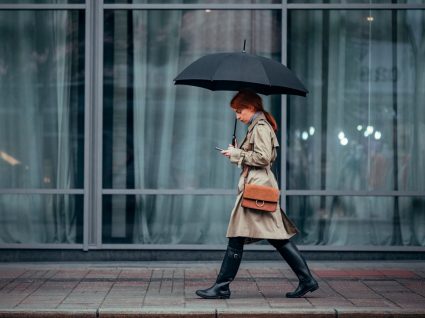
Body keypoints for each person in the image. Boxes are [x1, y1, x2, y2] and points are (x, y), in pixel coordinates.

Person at [196, 89, 319, 299]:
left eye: (239, 111)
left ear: (251, 107)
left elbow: (262, 158)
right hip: (258, 188)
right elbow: (257, 156)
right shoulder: (257, 126)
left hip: (257, 190)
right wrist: (236, 153)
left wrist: (238, 153)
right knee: (277, 238)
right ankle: (306, 279)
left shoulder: (260, 127)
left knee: (237, 236)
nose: (237, 116)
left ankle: (222, 286)